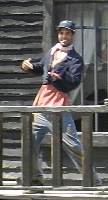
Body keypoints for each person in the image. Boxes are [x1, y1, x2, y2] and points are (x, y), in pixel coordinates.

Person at [21, 20, 101, 186]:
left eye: (68, 33)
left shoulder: (75, 59)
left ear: (73, 36)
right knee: (30, 143)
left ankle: (93, 181)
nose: (64, 36)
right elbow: (40, 68)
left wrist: (58, 74)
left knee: (74, 146)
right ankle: (34, 179)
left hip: (59, 107)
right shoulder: (52, 51)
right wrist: (28, 67)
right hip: (40, 105)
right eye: (62, 33)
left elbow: (73, 83)